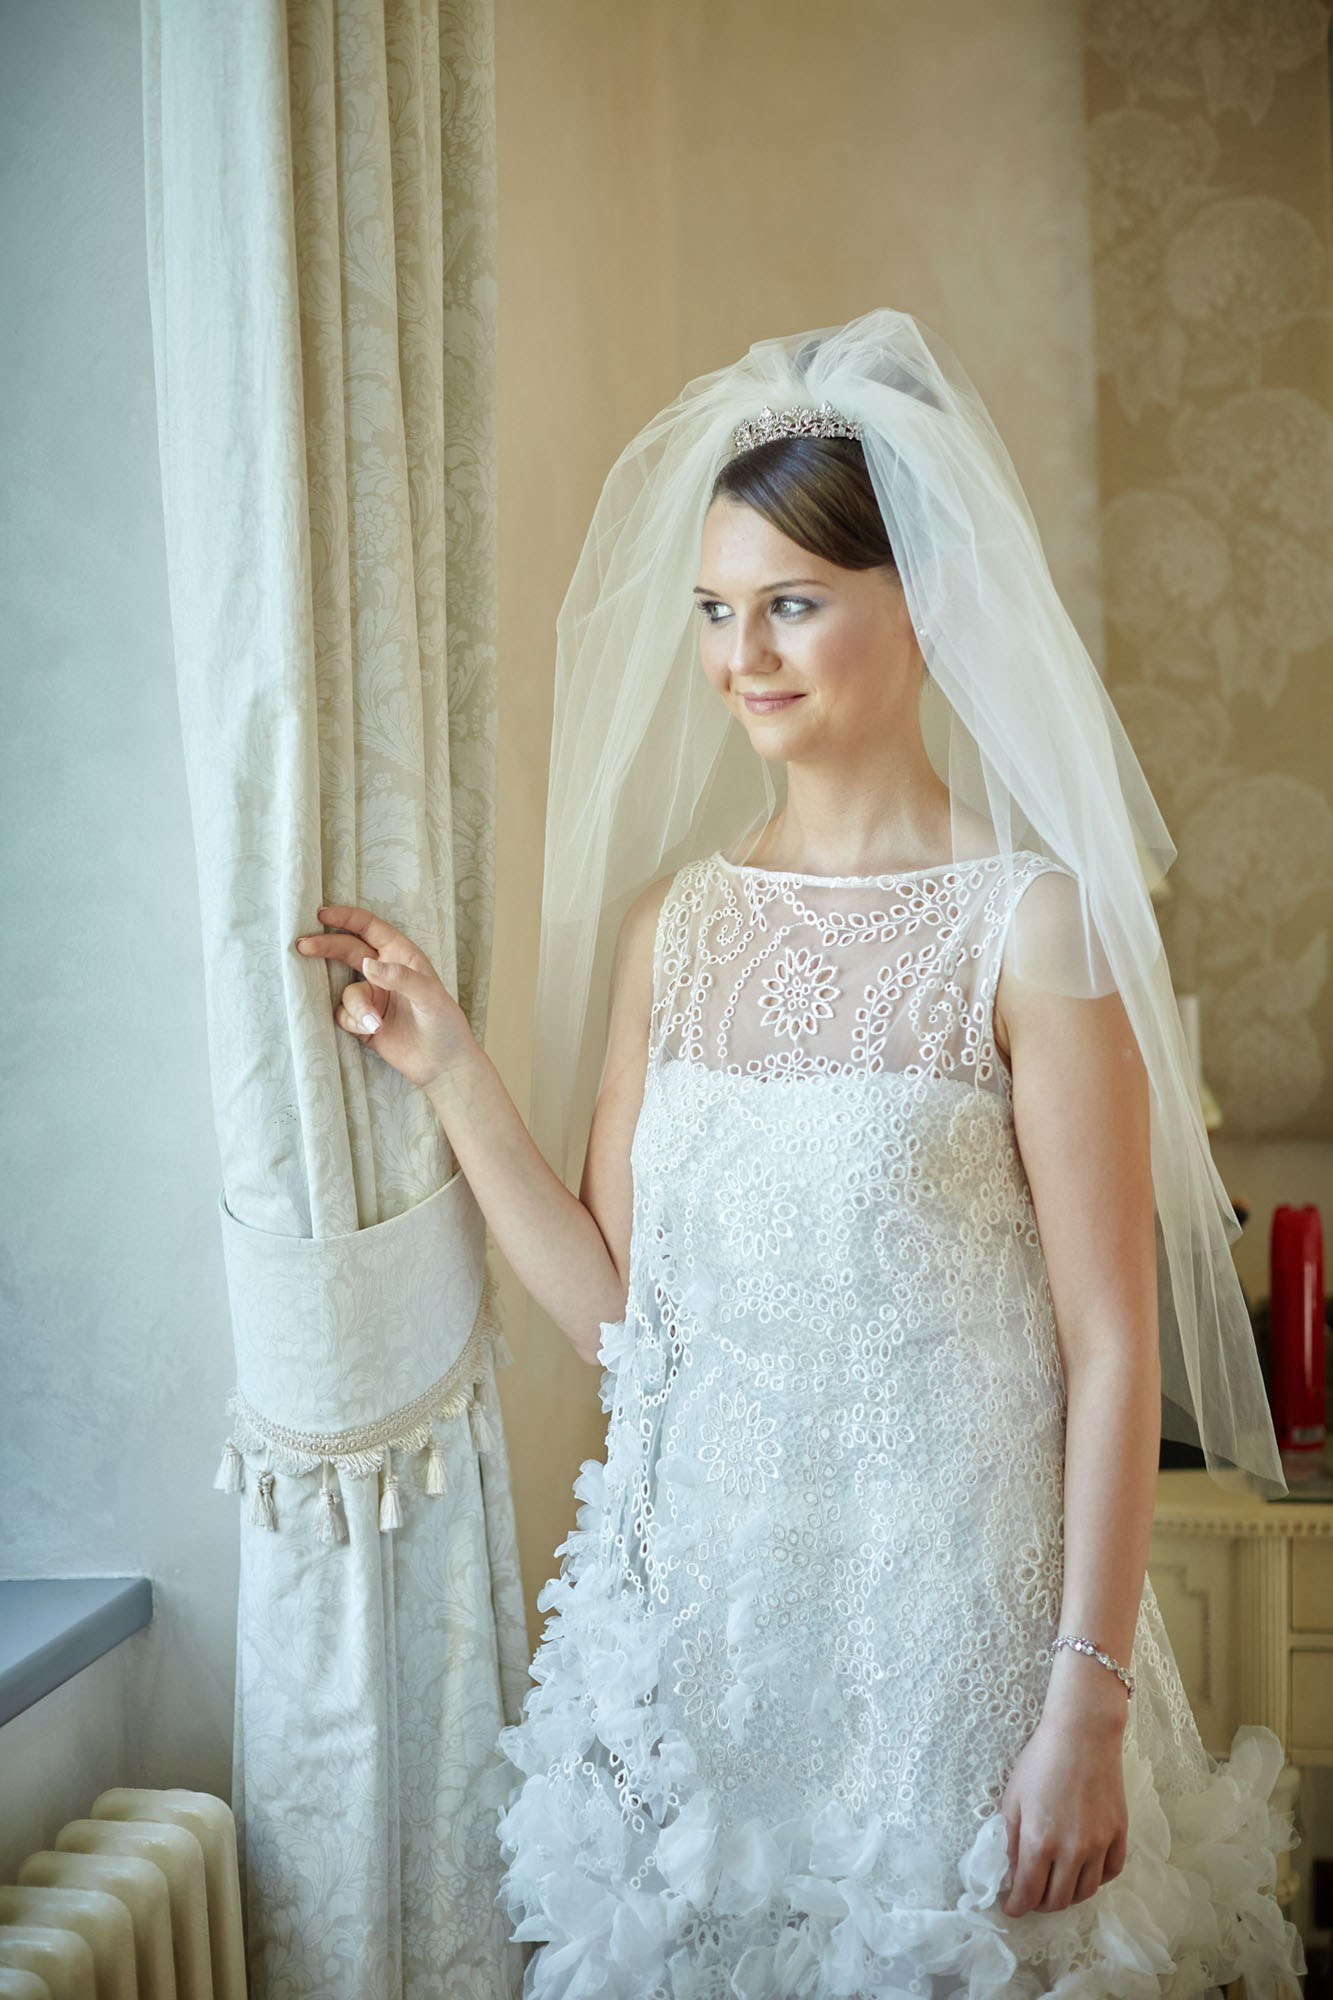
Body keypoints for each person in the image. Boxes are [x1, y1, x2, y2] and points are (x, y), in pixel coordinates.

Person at [294, 310, 1307, 1996]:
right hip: (707, 1659)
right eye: (714, 609)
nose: (740, 655)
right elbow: (619, 1312)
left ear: (923, 602)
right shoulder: (675, 928)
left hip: (962, 1666)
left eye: (790, 603)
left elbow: (1111, 1347)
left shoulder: (1028, 929)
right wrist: (450, 1069)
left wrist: (1083, 1702)